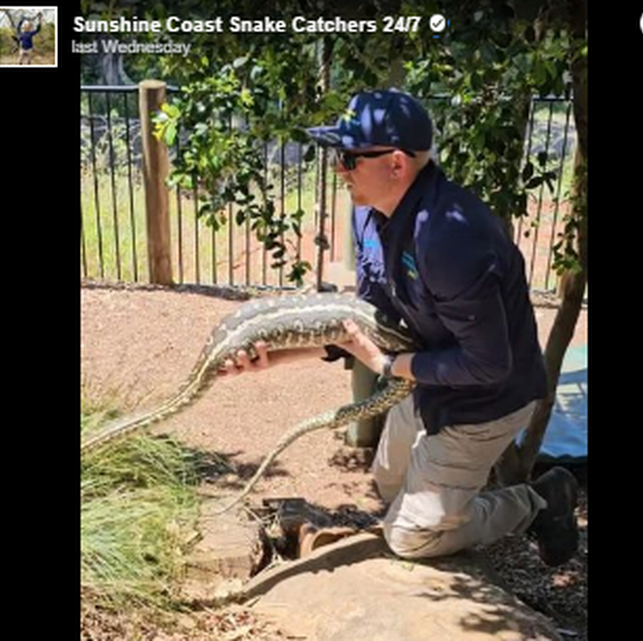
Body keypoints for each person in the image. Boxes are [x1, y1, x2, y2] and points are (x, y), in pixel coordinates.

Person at [220, 89, 579, 565]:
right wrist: (278, 357)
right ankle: (445, 504)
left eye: (349, 158)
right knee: (390, 486)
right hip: (424, 375)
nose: (338, 169)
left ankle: (534, 503)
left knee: (410, 538)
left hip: (487, 399)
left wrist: (391, 364)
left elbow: (489, 364)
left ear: (395, 164)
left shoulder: (450, 236)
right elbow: (368, 324)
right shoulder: (371, 213)